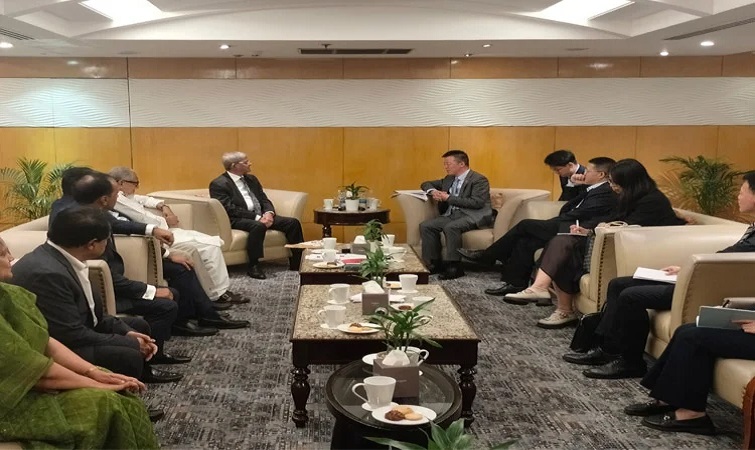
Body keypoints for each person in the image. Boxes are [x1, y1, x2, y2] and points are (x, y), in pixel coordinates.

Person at [564, 171, 755, 379]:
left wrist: (692, 270)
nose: (738, 196)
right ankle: (608, 349)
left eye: (742, 191)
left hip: (710, 285)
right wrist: (684, 268)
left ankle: (630, 362)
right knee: (618, 284)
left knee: (631, 296)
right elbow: (729, 256)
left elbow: (734, 261)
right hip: (703, 276)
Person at [0, 235, 160, 448]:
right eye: (3, 254)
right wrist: (95, 384)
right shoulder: (47, 272)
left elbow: (45, 341)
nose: (11, 258)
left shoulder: (10, 294)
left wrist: (93, 372)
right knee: (106, 401)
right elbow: (30, 371)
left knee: (121, 394)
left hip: (31, 380)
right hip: (10, 399)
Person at [504, 159, 686, 328]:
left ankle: (551, 298)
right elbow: (603, 217)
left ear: (629, 182)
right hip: (609, 242)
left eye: (614, 183)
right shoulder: (627, 196)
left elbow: (630, 227)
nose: (612, 186)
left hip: (637, 250)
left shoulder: (651, 200)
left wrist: (597, 229)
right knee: (561, 242)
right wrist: (588, 230)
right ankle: (550, 297)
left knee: (561, 243)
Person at [12, 206, 182, 384]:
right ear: (92, 244)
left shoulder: (66, 257)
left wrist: (127, 333)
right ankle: (124, 393)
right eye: (106, 240)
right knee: (128, 354)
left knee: (137, 327)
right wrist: (130, 343)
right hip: (59, 346)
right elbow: (71, 335)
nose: (108, 244)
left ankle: (141, 375)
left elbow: (92, 313)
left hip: (78, 328)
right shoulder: (49, 275)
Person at [72, 173, 250, 336]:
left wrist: (163, 248)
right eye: (115, 193)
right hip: (112, 280)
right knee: (171, 290)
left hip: (133, 257)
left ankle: (199, 315)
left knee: (181, 267)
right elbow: (110, 269)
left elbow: (119, 224)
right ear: (104, 199)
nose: (118, 195)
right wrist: (151, 290)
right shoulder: (85, 222)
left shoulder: (96, 212)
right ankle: (185, 324)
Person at [459, 157, 617, 296]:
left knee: (526, 225)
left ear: (601, 174)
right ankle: (515, 283)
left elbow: (579, 213)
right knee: (526, 242)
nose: (584, 173)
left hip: (575, 229)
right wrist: (574, 184)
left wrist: (553, 222)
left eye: (588, 171)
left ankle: (488, 256)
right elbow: (567, 203)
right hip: (566, 224)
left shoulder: (605, 191)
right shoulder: (592, 188)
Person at [109, 166, 249, 308]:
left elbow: (146, 199)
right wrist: (157, 228)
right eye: (135, 183)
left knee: (211, 244)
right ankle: (216, 295)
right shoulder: (116, 199)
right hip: (157, 237)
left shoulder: (127, 196)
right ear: (121, 183)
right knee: (209, 247)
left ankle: (218, 292)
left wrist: (164, 207)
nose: (137, 187)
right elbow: (135, 221)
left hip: (166, 231)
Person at [209, 151, 305, 280]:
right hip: (236, 219)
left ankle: (298, 262)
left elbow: (263, 199)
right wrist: (257, 218)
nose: (250, 163)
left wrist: (269, 213)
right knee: (258, 226)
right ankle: (254, 265)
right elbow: (229, 209)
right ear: (234, 165)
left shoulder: (252, 179)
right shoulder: (219, 184)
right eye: (246, 162)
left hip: (260, 215)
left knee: (292, 223)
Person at [419, 150, 493, 280]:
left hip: (474, 214)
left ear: (461, 164)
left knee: (451, 227)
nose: (445, 167)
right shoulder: (449, 179)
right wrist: (433, 191)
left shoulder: (479, 180)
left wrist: (448, 198)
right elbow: (425, 184)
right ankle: (434, 263)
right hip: (453, 214)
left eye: (448, 164)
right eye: (444, 164)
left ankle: (454, 266)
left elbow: (476, 203)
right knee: (426, 226)